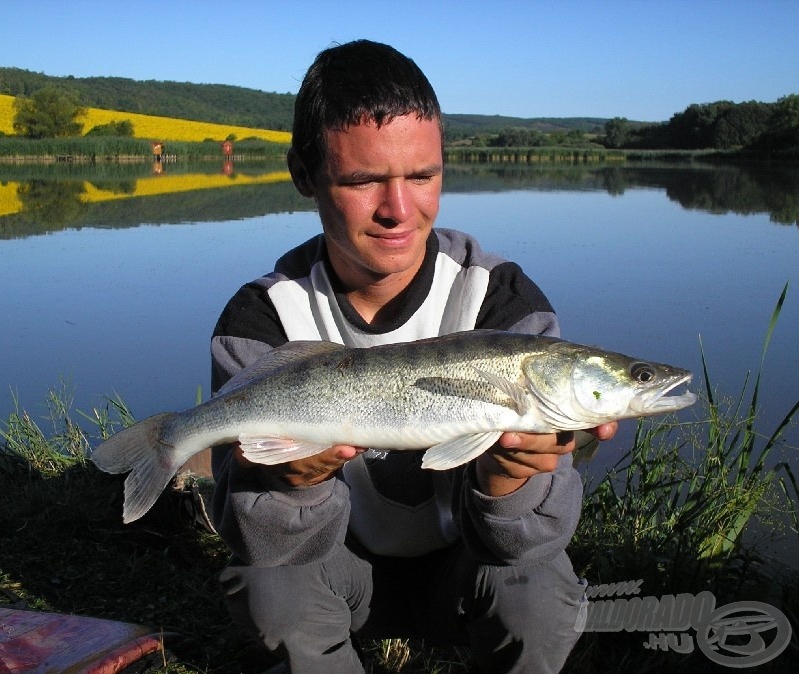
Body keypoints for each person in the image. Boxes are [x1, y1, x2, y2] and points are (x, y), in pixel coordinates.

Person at [210, 39, 616, 674]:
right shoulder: (263, 320)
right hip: (331, 573)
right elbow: (258, 541)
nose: (399, 209)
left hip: (464, 571)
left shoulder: (503, 303)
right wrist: (289, 482)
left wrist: (509, 481)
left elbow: (532, 544)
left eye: (422, 176)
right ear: (303, 175)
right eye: (363, 179)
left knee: (538, 591)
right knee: (272, 587)